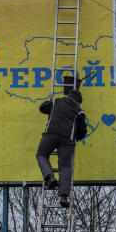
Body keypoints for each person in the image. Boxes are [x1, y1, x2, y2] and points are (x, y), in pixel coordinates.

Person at [36, 74, 88, 208]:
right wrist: (75, 137)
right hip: (67, 140)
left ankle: (49, 176)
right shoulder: (79, 111)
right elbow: (82, 132)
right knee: (65, 167)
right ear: (78, 101)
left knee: (41, 155)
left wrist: (49, 100)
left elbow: (42, 108)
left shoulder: (56, 102)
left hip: (51, 134)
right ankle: (64, 196)